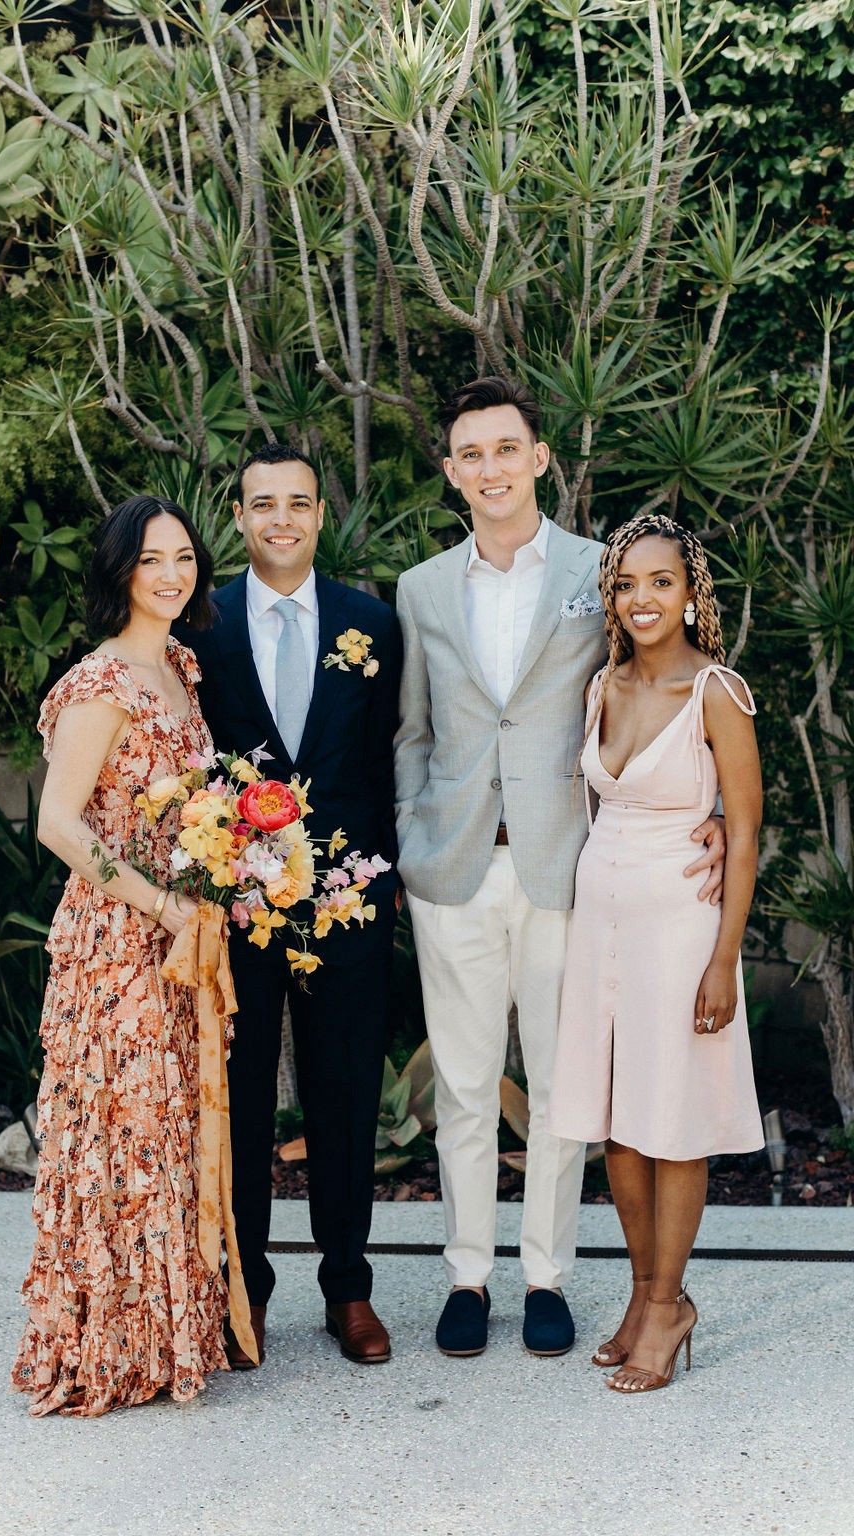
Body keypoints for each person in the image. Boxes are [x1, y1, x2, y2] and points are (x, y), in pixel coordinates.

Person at [394, 376, 725, 1360]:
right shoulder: (419, 589)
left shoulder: (600, 571)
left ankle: (544, 1275)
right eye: (471, 453)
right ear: (451, 472)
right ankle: (465, 1275)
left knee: (559, 1085)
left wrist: (703, 806)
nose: (490, 467)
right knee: (460, 1084)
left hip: (568, 866)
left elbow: (670, 680)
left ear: (539, 459)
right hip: (451, 866)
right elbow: (411, 729)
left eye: (507, 448)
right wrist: (415, 837)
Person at [12, 494, 256, 1417]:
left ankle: (167, 1336)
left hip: (184, 937)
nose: (171, 574)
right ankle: (108, 1343)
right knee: (121, 1134)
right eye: (151, 559)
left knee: (168, 1133)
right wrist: (159, 900)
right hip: (118, 941)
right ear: (119, 571)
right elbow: (56, 822)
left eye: (184, 557)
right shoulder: (99, 684)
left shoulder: (181, 670)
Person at [177, 444, 401, 1367]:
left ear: (320, 513)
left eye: (297, 503)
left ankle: (348, 1287)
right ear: (237, 516)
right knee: (237, 1098)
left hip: (346, 906)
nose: (281, 519)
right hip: (239, 906)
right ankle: (246, 1287)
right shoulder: (200, 623)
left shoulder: (370, 622)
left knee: (345, 1095)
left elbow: (390, 758)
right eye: (262, 504)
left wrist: (383, 883)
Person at [547, 514, 764, 1393]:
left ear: (690, 591)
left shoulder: (720, 691)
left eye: (660, 582)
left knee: (671, 1125)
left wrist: (723, 959)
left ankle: (670, 1303)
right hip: (601, 924)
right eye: (627, 583)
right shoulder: (602, 686)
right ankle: (644, 1297)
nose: (642, 599)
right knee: (618, 1126)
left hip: (682, 931)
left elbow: (743, 831)